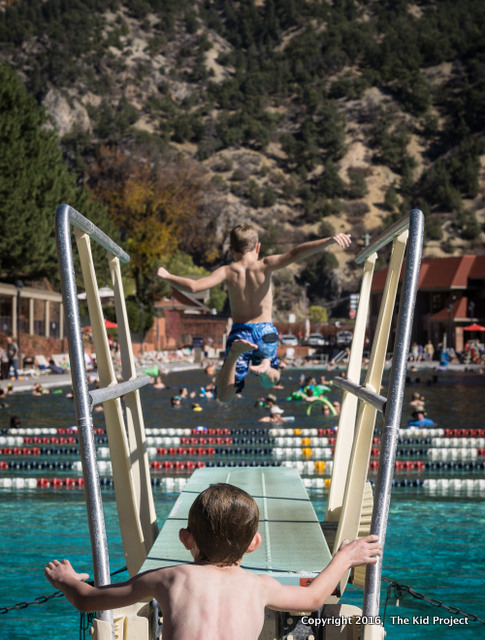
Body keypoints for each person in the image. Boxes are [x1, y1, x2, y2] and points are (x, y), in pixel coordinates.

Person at [45, 483, 381, 640]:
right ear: (254, 544)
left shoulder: (167, 578)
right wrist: (344, 557)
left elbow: (86, 600)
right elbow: (313, 598)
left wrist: (66, 578)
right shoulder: (260, 587)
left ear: (185, 539)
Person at [157, 224, 351, 401]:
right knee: (272, 381)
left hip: (240, 333)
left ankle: (233, 357)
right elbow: (295, 254)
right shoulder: (264, 265)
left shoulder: (227, 271)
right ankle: (266, 368)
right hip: (265, 331)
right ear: (258, 247)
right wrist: (328, 240)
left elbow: (194, 287)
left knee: (224, 397)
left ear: (232, 251)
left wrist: (168, 276)